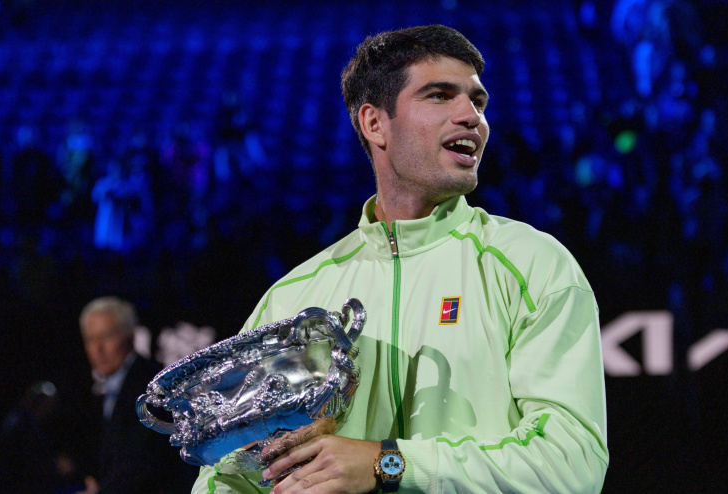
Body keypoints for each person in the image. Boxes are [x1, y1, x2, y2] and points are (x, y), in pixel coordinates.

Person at [194, 25, 608, 493]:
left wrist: (387, 463)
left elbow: (572, 464)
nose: (471, 116)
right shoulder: (293, 297)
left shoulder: (533, 266)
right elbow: (226, 477)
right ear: (375, 124)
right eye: (440, 95)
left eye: (477, 101)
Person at [79, 296, 195, 493]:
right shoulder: (103, 388)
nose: (98, 349)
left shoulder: (152, 384)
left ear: (130, 336)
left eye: (106, 337)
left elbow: (143, 463)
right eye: (91, 339)